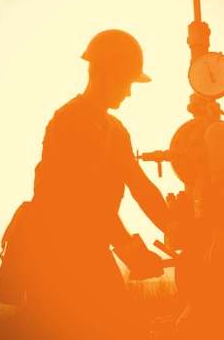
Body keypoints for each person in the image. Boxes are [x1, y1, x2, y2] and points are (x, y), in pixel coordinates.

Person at [24, 29, 176, 340]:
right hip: (54, 259)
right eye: (126, 83)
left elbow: (141, 187)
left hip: (91, 250)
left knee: (121, 328)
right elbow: (88, 198)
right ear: (101, 74)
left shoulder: (117, 130)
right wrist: (132, 251)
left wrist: (176, 228)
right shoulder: (69, 121)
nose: (130, 93)